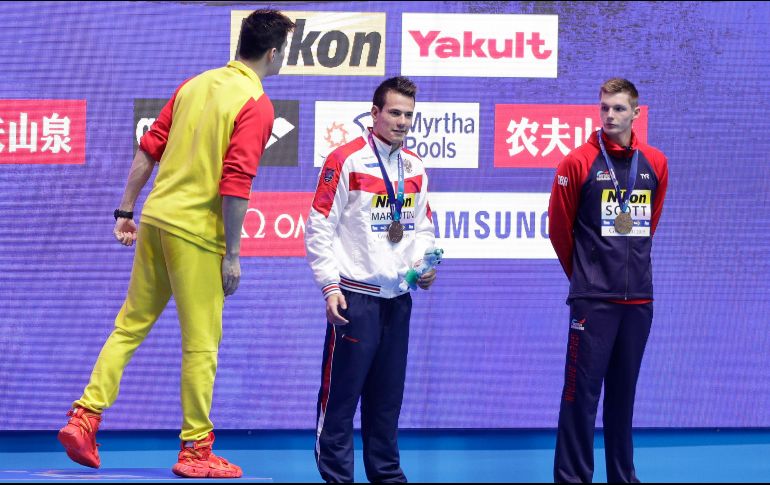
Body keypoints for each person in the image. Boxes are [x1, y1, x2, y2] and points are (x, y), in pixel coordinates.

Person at [56, 10, 295, 479]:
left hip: (156, 220)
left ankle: (84, 417)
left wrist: (125, 211)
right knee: (202, 346)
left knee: (129, 326)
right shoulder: (257, 103)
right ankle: (195, 451)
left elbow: (150, 148)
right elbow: (236, 183)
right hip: (197, 235)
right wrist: (232, 254)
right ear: (273, 54)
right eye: (285, 52)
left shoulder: (194, 83)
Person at [305, 76, 437, 483]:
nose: (402, 122)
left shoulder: (414, 167)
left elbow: (421, 227)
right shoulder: (346, 160)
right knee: (341, 401)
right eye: (395, 113)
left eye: (409, 115)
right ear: (375, 113)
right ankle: (337, 479)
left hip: (398, 301)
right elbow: (318, 226)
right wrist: (330, 286)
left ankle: (387, 477)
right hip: (354, 300)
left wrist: (424, 263)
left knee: (386, 403)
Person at [548, 78, 669, 483]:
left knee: (623, 399)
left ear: (636, 112)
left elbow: (647, 226)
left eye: (619, 108)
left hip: (638, 303)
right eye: (604, 108)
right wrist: (588, 276)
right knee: (579, 398)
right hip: (593, 302)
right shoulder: (576, 162)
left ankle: (623, 477)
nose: (610, 116)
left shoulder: (655, 162)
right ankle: (572, 478)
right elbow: (560, 231)